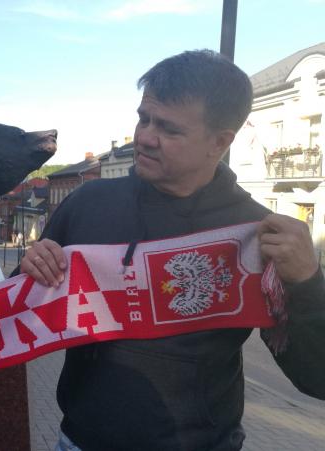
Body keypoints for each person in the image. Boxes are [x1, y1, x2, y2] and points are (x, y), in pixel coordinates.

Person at [18, 50, 325, 451]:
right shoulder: (88, 202)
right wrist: (31, 268)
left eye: (169, 128)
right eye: (144, 118)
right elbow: (19, 316)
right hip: (79, 440)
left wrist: (307, 283)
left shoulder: (255, 233)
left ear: (220, 142)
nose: (145, 137)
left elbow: (316, 378)